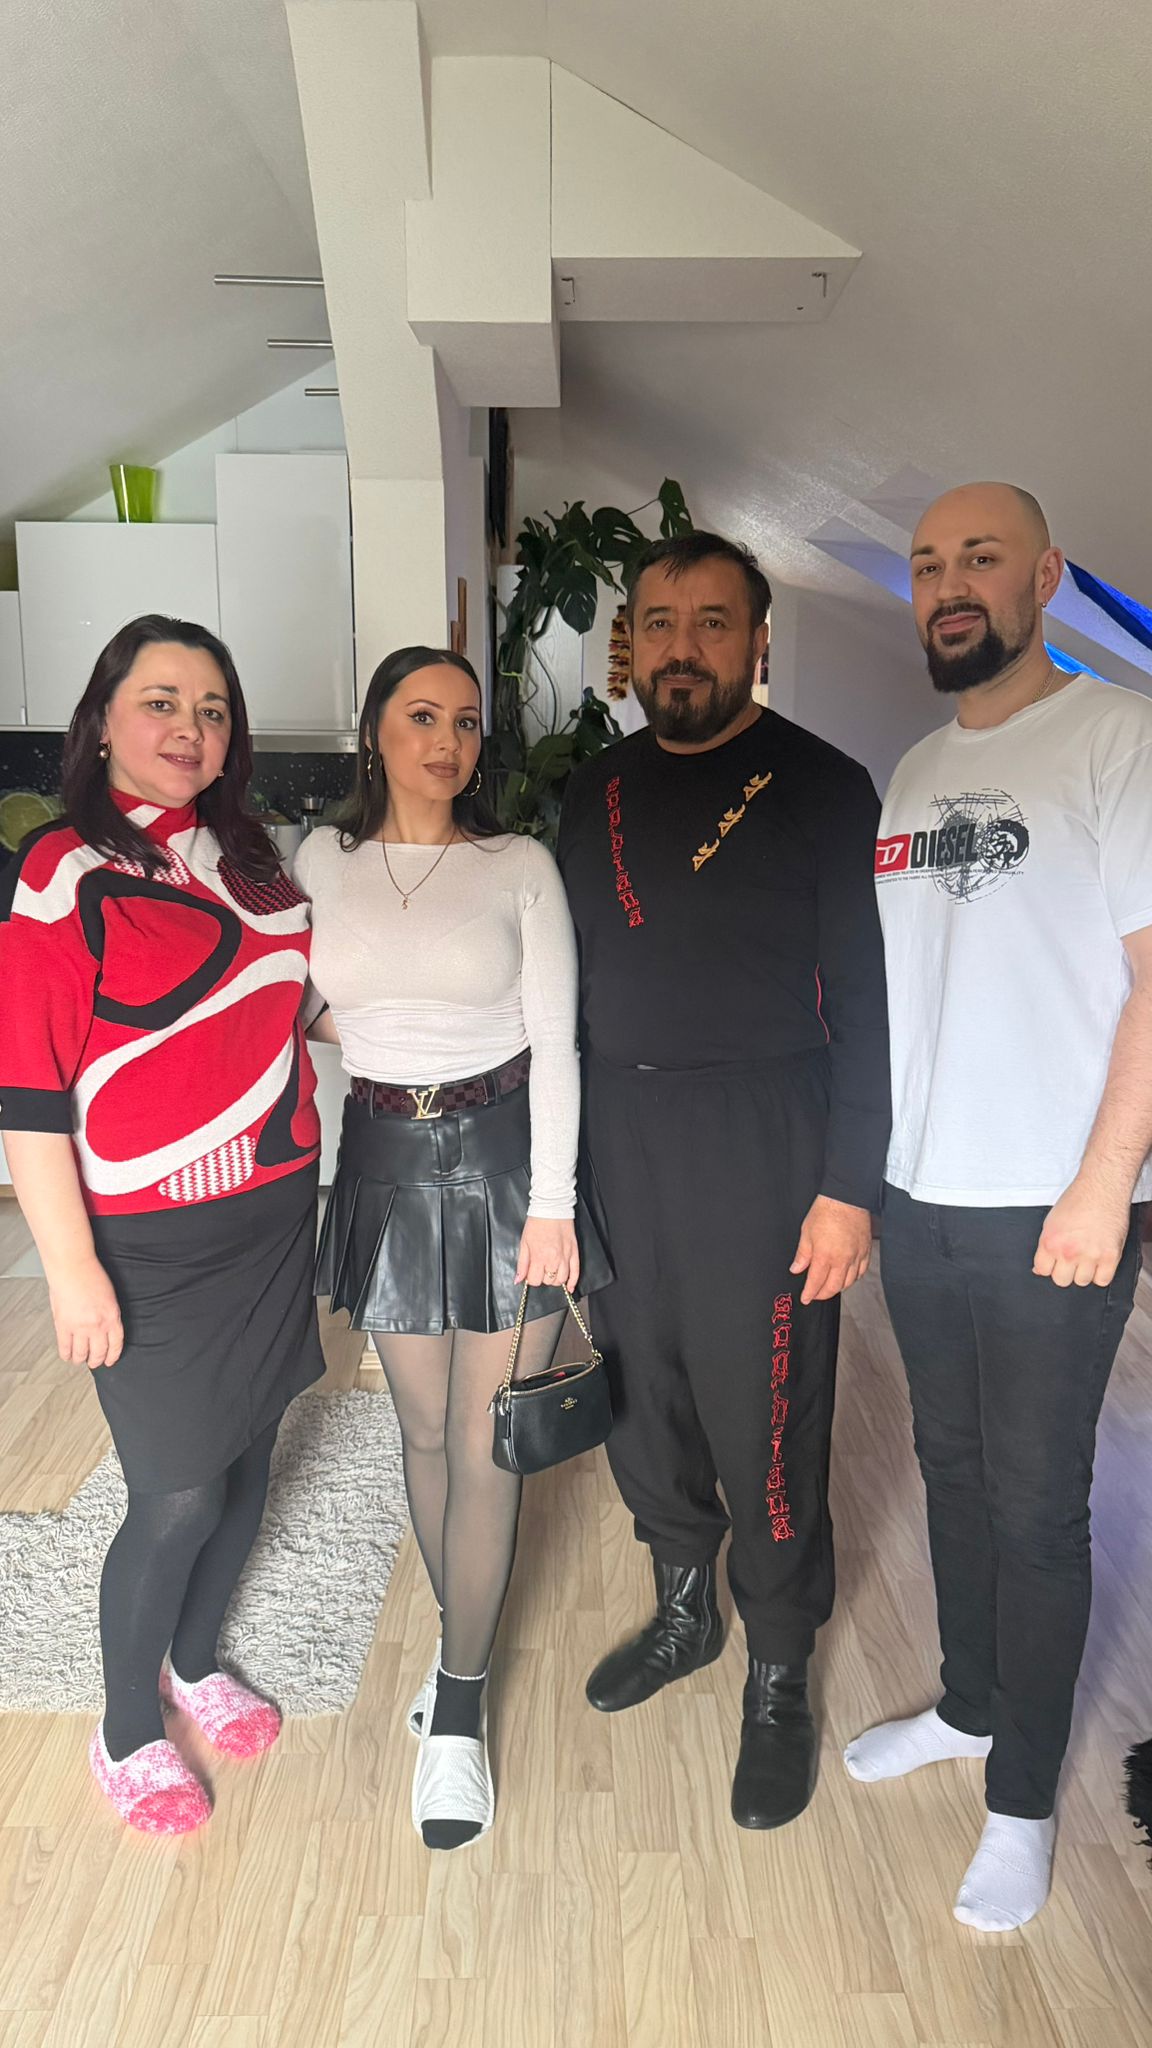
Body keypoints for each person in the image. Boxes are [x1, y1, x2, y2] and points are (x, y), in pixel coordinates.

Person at [845, 483, 1152, 1932]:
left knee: (1036, 1507)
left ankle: (1022, 1799)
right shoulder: (913, 771)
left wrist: (1103, 1185)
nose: (948, 583)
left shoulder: (1119, 734)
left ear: (1047, 577)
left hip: (1055, 1209)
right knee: (953, 1467)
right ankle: (969, 1704)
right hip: (923, 1196)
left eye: (981, 557)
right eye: (927, 564)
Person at [557, 531, 890, 1829]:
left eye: (711, 621)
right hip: (617, 1135)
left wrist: (851, 1184)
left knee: (767, 1418)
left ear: (758, 640)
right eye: (659, 622)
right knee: (641, 1397)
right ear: (630, 644)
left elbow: (866, 1002)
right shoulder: (592, 789)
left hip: (767, 1138)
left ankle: (780, 1666)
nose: (682, 646)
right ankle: (686, 1607)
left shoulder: (824, 785)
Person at [0, 615, 324, 1835]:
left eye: (213, 708)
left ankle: (195, 1659)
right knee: (177, 1489)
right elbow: (28, 1093)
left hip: (275, 1213)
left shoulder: (257, 863)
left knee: (249, 1455)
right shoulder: (63, 869)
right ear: (103, 721)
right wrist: (71, 1268)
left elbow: (295, 1006)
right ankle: (127, 1726)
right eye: (162, 701)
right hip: (149, 1242)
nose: (190, 726)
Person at [294, 644, 611, 1852]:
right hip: (379, 1157)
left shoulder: (516, 863)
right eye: (423, 715)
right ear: (376, 728)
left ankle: (461, 1710)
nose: (448, 739)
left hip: (503, 1162)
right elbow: (289, 994)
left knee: (485, 1443)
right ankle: (456, 1639)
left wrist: (554, 1204)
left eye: (468, 721)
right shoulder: (321, 861)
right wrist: (374, 1029)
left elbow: (557, 1040)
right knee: (421, 1430)